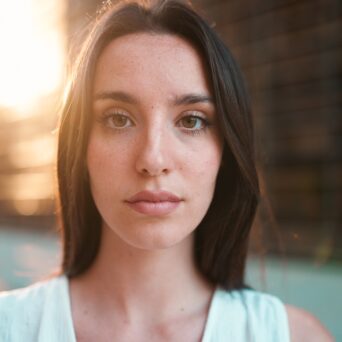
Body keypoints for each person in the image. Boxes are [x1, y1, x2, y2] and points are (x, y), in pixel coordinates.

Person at [0, 0, 333, 341]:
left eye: (191, 121)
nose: (153, 159)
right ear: (80, 147)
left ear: (225, 153)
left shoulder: (292, 336)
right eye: (118, 119)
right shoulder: (10, 325)